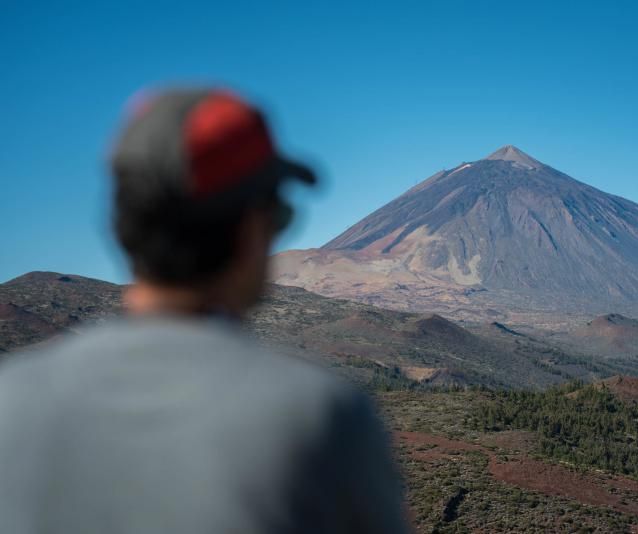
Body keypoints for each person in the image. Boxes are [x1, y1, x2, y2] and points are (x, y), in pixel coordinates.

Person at [0, 88, 409, 533]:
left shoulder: (13, 402)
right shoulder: (320, 418)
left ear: (123, 229)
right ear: (252, 228)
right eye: (280, 215)